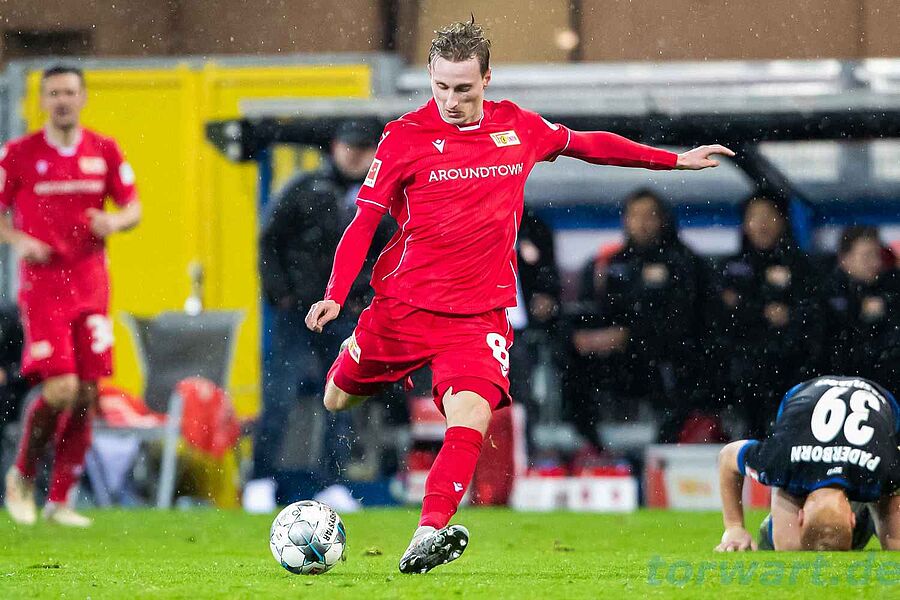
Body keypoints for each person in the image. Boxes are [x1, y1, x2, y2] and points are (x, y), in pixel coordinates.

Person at [304, 20, 732, 574]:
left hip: (478, 314)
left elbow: (589, 145)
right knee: (337, 399)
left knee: (471, 415)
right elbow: (364, 222)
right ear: (430, 78)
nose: (452, 101)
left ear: (486, 79)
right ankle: (356, 360)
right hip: (403, 307)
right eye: (441, 87)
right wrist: (336, 294)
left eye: (464, 89)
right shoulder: (404, 137)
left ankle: (428, 531)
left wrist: (673, 160)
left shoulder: (517, 127)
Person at [0, 65, 141, 527]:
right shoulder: (18, 154)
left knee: (86, 392)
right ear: (42, 100)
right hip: (44, 289)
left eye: (69, 92)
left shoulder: (104, 150)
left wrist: (114, 222)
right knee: (60, 389)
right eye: (54, 93)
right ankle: (21, 476)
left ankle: (60, 500)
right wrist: (19, 240)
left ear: (82, 98)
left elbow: (133, 208)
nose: (62, 100)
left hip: (91, 286)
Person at [248, 120, 394, 512]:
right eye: (349, 146)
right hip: (297, 313)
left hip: (346, 314)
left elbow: (392, 253)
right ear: (334, 147)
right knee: (279, 396)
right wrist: (280, 295)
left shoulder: (382, 198)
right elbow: (269, 241)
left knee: (342, 399)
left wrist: (367, 299)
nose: (355, 155)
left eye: (363, 148)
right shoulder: (304, 188)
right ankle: (261, 479)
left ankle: (331, 481)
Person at [563, 189, 710, 452]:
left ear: (662, 219)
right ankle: (591, 444)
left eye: (649, 216)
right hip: (616, 357)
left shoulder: (683, 262)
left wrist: (629, 334)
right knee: (568, 352)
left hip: (664, 357)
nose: (641, 223)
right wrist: (587, 336)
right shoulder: (608, 262)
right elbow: (593, 309)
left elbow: (682, 318)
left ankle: (664, 446)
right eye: (635, 215)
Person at [716, 376, 900, 552]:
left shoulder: (782, 462)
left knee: (894, 541)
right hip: (810, 404)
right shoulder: (784, 463)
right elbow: (727, 457)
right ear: (853, 520)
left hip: (870, 404)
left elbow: (727, 456)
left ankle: (870, 512)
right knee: (789, 544)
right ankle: (869, 513)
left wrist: (735, 527)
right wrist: (734, 528)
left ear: (801, 515)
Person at [710, 194, 816, 439]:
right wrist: (761, 311)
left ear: (783, 220)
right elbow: (722, 317)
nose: (762, 223)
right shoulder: (730, 267)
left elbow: (814, 314)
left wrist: (789, 315)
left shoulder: (802, 267)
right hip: (742, 373)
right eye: (755, 216)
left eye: (769, 215)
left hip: (791, 369)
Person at [819, 226, 900, 390]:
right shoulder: (826, 290)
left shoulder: (890, 286)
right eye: (867, 256)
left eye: (877, 255)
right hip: (838, 385)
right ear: (845, 259)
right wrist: (858, 311)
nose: (875, 263)